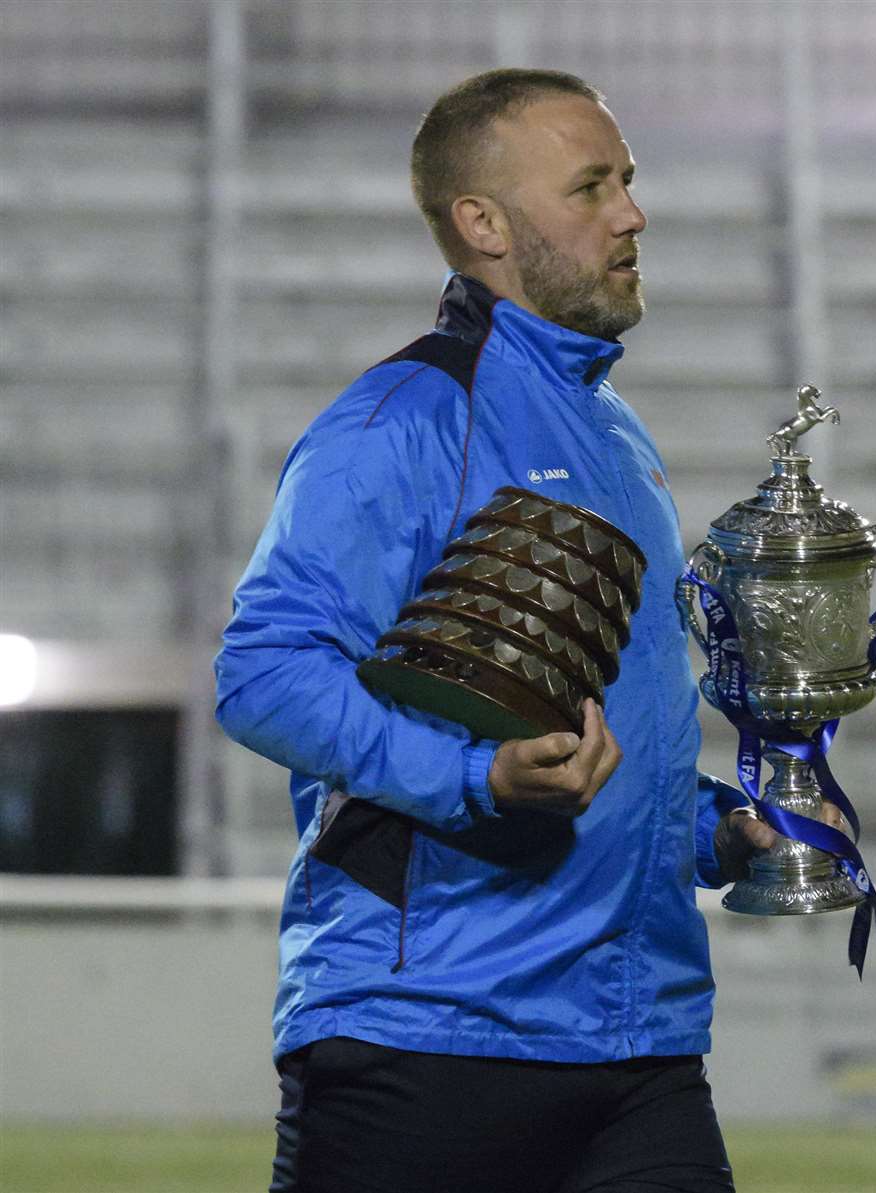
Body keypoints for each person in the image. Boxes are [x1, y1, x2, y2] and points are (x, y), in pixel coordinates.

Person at [216, 68, 787, 1193]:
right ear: (482, 223)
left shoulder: (616, 434)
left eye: (628, 181)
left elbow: (596, 724)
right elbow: (262, 672)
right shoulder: (396, 420)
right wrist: (474, 774)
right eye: (591, 188)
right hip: (425, 1033)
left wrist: (709, 831)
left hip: (639, 1041)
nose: (631, 213)